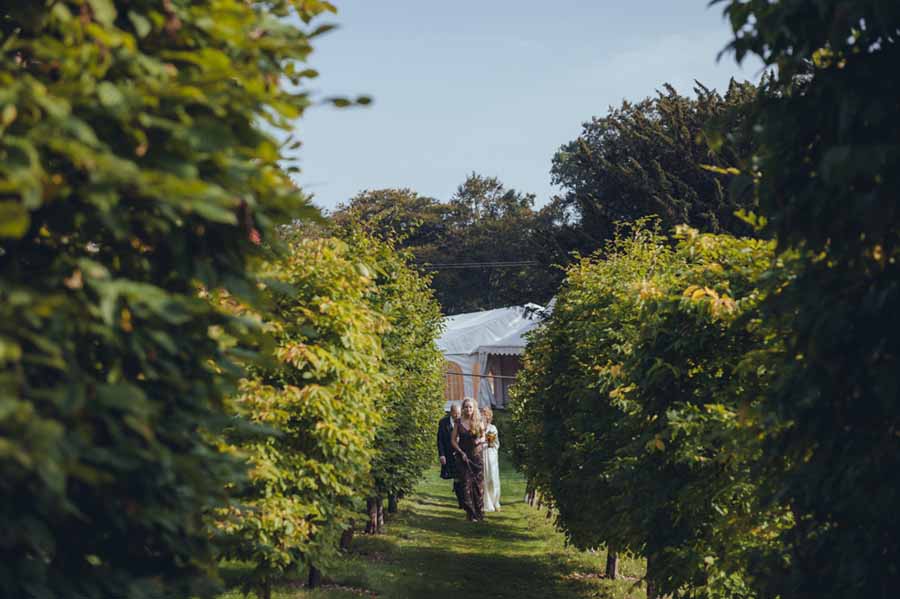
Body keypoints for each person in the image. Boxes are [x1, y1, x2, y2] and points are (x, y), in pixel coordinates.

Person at [450, 397, 485, 521]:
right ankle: (470, 513)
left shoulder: (478, 420)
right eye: (466, 407)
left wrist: (479, 440)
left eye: (470, 407)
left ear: (473, 408)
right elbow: (453, 440)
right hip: (463, 456)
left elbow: (483, 437)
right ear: (463, 408)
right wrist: (460, 452)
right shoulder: (458, 423)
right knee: (466, 484)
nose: (468, 409)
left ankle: (479, 512)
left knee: (478, 485)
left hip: (476, 457)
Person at [437, 403, 463, 508]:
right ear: (451, 412)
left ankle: (463, 501)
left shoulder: (463, 422)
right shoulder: (443, 423)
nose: (457, 415)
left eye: (458, 413)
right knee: (456, 478)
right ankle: (460, 500)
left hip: (461, 454)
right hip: (449, 454)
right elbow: (440, 440)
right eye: (455, 413)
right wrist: (442, 455)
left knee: (462, 477)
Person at [481, 407, 501, 512]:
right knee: (484, 477)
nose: (484, 416)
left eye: (486, 414)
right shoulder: (477, 427)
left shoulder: (492, 428)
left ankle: (495, 501)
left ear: (489, 416)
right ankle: (486, 502)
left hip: (491, 454)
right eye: (482, 414)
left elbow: (490, 442)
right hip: (481, 454)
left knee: (493, 478)